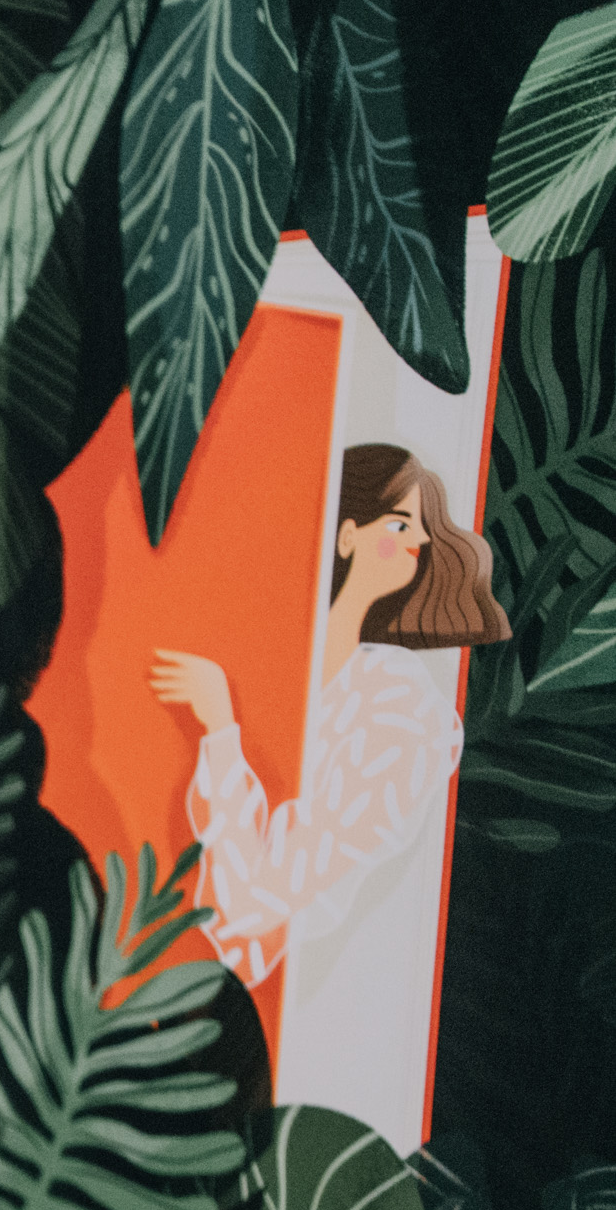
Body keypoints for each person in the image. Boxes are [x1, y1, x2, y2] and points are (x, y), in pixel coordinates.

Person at [149, 441, 509, 1149]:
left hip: (276, 1019)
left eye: (421, 531)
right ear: (346, 534)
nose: (416, 543)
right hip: (173, 968)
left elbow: (260, 902)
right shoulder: (267, 651)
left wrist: (221, 731)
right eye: (399, 524)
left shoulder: (401, 714)